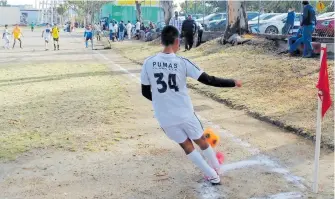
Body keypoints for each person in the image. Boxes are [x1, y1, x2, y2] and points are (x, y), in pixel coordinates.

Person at [140, 25, 242, 185]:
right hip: (185, 113)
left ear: (161, 41)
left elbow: (145, 92)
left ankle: (212, 176)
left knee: (186, 145)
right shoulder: (182, 62)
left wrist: (162, 101)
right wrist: (232, 82)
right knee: (200, 139)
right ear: (176, 41)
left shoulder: (149, 63)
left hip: (165, 117)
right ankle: (216, 167)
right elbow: (208, 80)